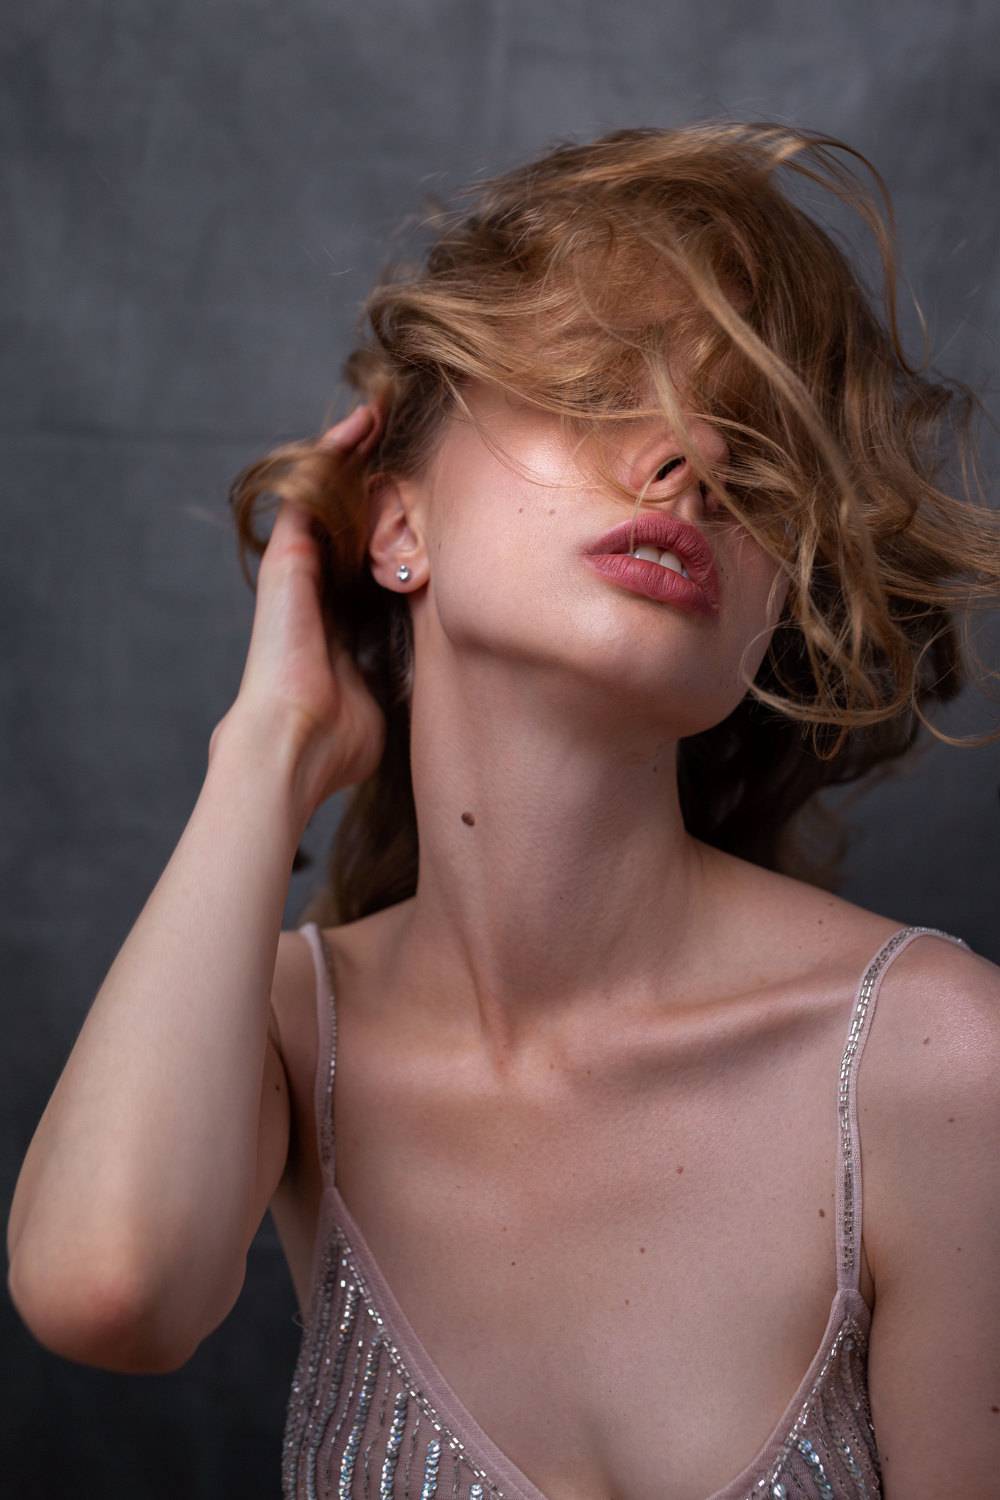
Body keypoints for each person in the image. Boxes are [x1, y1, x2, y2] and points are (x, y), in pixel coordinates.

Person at [7, 121, 1000, 1500]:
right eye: (597, 386)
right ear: (396, 528)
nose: (692, 457)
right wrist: (270, 746)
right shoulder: (283, 1028)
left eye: (761, 455)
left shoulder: (938, 1061)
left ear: (774, 612)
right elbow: (107, 1294)